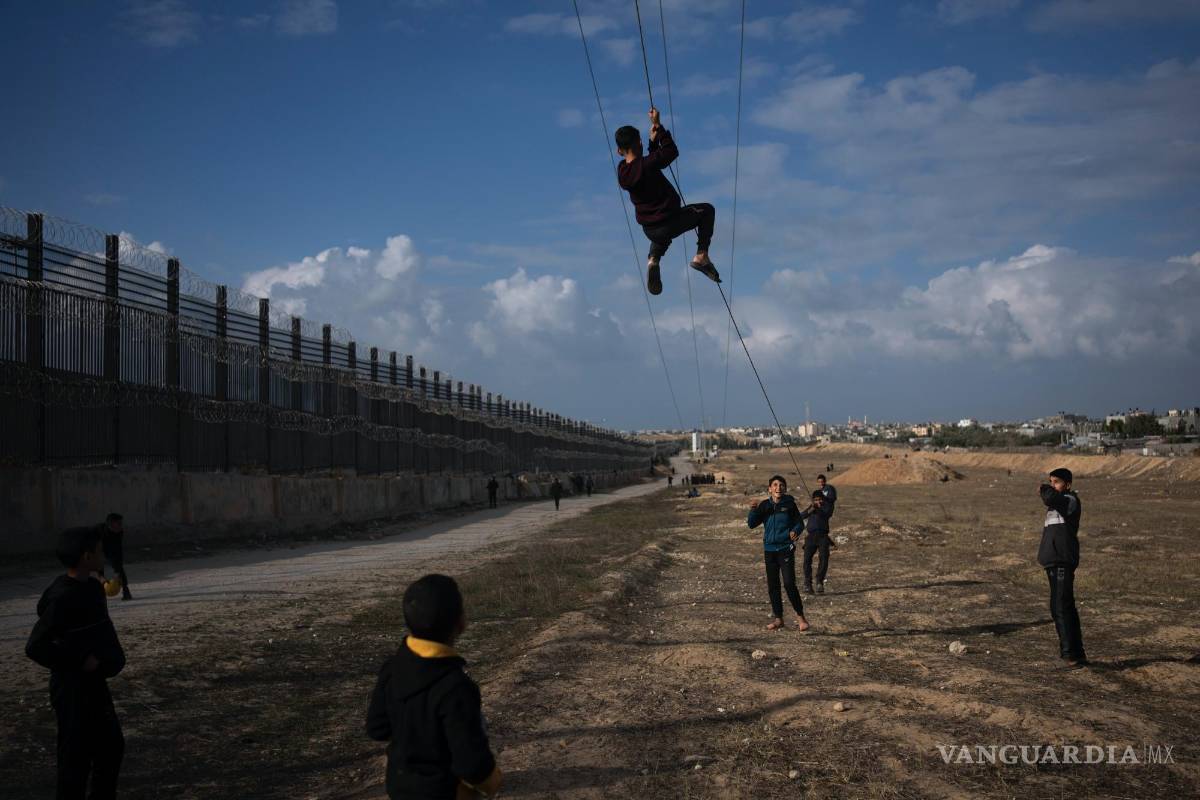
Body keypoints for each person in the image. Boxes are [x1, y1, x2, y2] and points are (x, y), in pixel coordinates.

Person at [367, 574, 502, 799]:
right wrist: (493, 781)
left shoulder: (391, 668)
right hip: (444, 791)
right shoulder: (456, 687)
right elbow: (472, 763)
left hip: (399, 786)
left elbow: (377, 728)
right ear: (461, 623)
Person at [26, 526, 127, 800]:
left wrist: (107, 661)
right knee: (75, 760)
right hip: (71, 689)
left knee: (111, 747)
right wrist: (80, 660)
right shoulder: (63, 596)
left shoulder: (93, 589)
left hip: (95, 685)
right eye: (98, 550)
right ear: (86, 556)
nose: (102, 553)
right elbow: (36, 646)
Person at [616, 108, 720, 296]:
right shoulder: (647, 165)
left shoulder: (623, 172)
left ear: (619, 151)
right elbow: (670, 152)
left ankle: (653, 260)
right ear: (639, 142)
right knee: (706, 211)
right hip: (669, 222)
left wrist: (652, 144)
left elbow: (648, 164)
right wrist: (658, 126)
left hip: (650, 229)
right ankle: (702, 256)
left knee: (661, 234)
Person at [746, 475, 810, 632]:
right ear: (769, 489)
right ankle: (778, 619)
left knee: (789, 583)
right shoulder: (765, 505)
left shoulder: (789, 505)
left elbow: (799, 523)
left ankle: (801, 617)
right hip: (769, 550)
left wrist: (795, 531)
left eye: (781, 485)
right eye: (775, 485)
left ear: (785, 488)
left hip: (785, 548)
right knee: (773, 586)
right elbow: (752, 524)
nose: (778, 487)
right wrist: (753, 510)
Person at [1038, 468, 1087, 667]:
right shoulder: (1059, 502)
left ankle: (1070, 655)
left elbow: (1049, 497)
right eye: (1050, 481)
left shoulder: (1069, 500)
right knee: (1063, 606)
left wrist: (1043, 488)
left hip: (1062, 561)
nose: (1052, 485)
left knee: (1061, 606)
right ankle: (1076, 652)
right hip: (1054, 560)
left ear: (1067, 484)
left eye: (1056, 482)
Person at [798, 491, 835, 594]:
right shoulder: (811, 507)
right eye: (816, 500)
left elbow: (826, 514)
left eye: (820, 499)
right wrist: (811, 510)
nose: (818, 501)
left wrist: (817, 508)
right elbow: (801, 516)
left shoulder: (827, 507)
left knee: (824, 558)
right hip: (811, 537)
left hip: (823, 536)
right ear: (813, 500)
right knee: (807, 560)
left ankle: (819, 581)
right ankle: (807, 584)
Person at [97, 513, 132, 601]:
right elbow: (97, 553)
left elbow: (118, 552)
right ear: (111, 524)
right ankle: (100, 592)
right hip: (97, 549)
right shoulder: (98, 530)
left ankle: (126, 590)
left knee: (119, 569)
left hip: (111, 550)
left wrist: (117, 572)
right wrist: (101, 576)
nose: (121, 526)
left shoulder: (119, 533)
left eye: (121, 523)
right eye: (119, 524)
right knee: (98, 568)